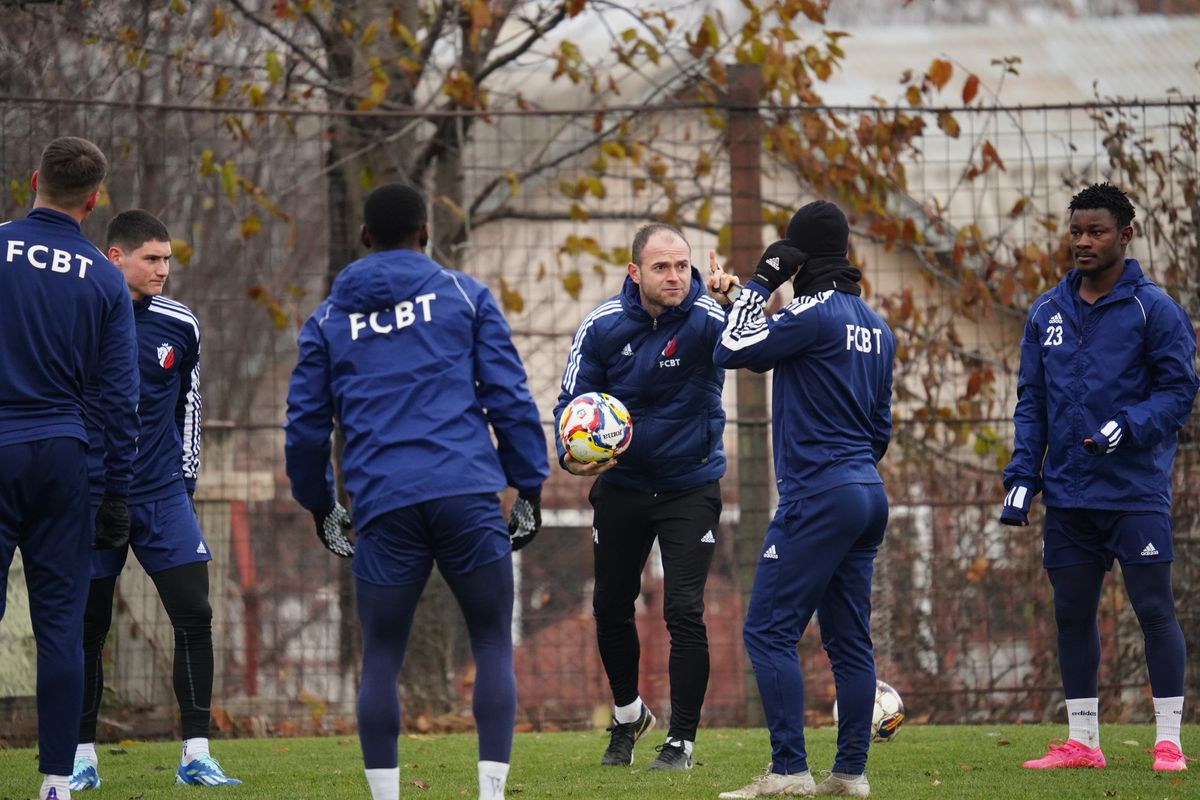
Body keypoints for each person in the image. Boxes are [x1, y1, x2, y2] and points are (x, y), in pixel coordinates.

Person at [285, 183, 548, 800]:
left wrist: (322, 504)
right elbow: (508, 397)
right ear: (425, 235)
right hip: (466, 493)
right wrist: (529, 485)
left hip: (382, 502)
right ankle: (491, 793)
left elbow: (303, 428)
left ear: (364, 238)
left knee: (380, 653)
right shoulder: (464, 295)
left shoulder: (327, 319)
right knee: (489, 640)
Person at [1000, 182, 1198, 773]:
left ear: (1125, 235)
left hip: (1134, 492)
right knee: (1071, 614)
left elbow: (1179, 392)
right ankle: (1083, 742)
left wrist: (1127, 427)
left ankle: (1170, 741)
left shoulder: (1153, 309)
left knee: (1154, 612)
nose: (1084, 242)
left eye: (1097, 231)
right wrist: (1021, 478)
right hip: (1068, 495)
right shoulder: (1046, 311)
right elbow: (1031, 401)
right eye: (1077, 231)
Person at [713, 200, 894, 799]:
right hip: (868, 492)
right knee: (848, 640)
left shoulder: (808, 314)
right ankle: (850, 775)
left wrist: (762, 280)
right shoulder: (877, 324)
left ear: (797, 254)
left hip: (818, 494)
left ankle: (789, 772)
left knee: (768, 631)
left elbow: (733, 349)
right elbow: (881, 430)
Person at [67, 210, 238, 790]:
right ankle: (81, 758)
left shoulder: (180, 322)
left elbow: (189, 401)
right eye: (152, 259)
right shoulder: (78, 315)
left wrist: (184, 480)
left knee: (195, 613)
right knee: (87, 628)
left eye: (167, 259)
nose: (163, 270)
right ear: (116, 259)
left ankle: (195, 753)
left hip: (163, 494)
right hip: (91, 496)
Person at [552, 223, 732, 771]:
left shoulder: (710, 317)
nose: (675, 276)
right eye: (661, 267)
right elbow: (569, 408)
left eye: (682, 265)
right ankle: (629, 715)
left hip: (690, 486)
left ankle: (680, 741)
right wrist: (576, 454)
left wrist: (740, 302)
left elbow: (762, 349)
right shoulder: (602, 326)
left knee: (683, 610)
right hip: (624, 486)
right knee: (610, 605)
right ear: (635, 272)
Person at [0, 137, 140, 800]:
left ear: (33, 181)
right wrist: (118, 491)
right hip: (63, 453)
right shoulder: (106, 278)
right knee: (61, 622)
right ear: (93, 200)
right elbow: (120, 398)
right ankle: (56, 781)